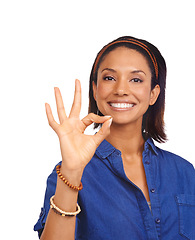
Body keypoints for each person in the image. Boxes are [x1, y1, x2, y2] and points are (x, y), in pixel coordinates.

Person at [34, 36, 195, 240]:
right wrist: (72, 173)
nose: (120, 90)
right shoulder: (66, 174)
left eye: (136, 79)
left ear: (153, 94)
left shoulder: (185, 173)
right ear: (95, 89)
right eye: (109, 78)